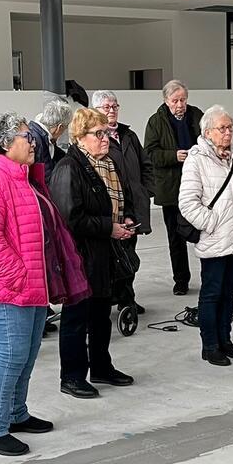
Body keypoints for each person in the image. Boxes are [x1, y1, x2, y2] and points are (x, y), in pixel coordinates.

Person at [0, 112, 89, 456]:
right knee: (10, 356)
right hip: (12, 288)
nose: (32, 141)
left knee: (27, 354)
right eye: (24, 136)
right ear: (5, 145)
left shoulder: (27, 179)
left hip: (34, 284)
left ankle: (16, 413)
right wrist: (19, 277)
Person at [49, 107, 138, 397]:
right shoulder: (69, 167)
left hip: (103, 254)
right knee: (76, 319)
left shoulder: (108, 164)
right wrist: (107, 227)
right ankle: (72, 377)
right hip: (80, 256)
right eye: (98, 134)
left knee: (101, 314)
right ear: (79, 137)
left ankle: (101, 366)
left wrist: (123, 219)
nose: (106, 139)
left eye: (107, 133)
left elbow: (119, 199)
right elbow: (69, 218)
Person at [178, 105, 233, 366]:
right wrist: (211, 223)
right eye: (223, 128)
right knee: (211, 294)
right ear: (207, 132)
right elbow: (187, 203)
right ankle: (210, 345)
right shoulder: (197, 159)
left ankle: (226, 340)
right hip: (215, 238)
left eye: (231, 127)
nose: (228, 133)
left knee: (229, 294)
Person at [91, 89, 153, 313]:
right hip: (112, 210)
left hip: (134, 207)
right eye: (106, 107)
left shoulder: (129, 135)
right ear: (95, 110)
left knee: (129, 254)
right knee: (113, 256)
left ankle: (128, 298)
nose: (111, 110)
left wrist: (146, 190)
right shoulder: (97, 139)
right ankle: (114, 298)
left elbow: (146, 164)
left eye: (114, 106)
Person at [146, 80, 204, 296]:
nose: (180, 105)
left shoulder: (197, 115)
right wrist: (174, 155)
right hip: (171, 188)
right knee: (175, 237)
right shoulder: (156, 121)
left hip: (198, 184)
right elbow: (149, 153)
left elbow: (209, 138)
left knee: (205, 231)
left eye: (183, 100)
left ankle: (211, 276)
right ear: (166, 101)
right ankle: (181, 280)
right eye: (175, 100)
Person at [27, 97, 73, 181]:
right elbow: (44, 178)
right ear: (60, 127)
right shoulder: (38, 141)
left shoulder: (39, 135)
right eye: (65, 128)